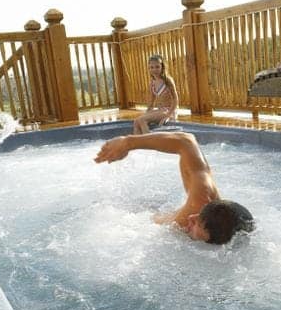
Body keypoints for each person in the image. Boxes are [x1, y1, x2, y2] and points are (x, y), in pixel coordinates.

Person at [94, 131, 254, 244]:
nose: (191, 218)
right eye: (199, 215)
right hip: (142, 216)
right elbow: (186, 141)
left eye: (198, 224)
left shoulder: (224, 243)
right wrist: (127, 143)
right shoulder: (200, 199)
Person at [132, 54, 179, 134]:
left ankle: (150, 142)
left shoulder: (168, 81)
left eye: (157, 67)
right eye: (151, 67)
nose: (154, 69)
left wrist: (168, 115)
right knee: (136, 121)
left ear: (162, 67)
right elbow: (151, 102)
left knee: (142, 120)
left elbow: (175, 99)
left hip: (169, 111)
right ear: (149, 69)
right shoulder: (152, 83)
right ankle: (139, 144)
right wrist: (147, 113)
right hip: (160, 110)